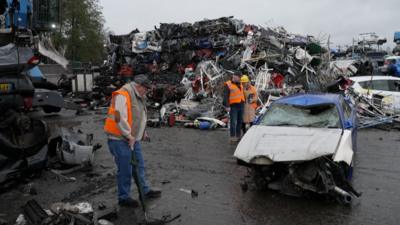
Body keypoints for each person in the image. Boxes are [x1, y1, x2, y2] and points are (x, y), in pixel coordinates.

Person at [104, 75, 161, 208]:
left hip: (131, 138)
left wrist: (142, 133)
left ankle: (144, 190)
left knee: (139, 165)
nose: (146, 92)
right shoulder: (122, 94)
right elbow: (119, 118)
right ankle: (123, 198)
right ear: (139, 86)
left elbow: (138, 116)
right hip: (118, 138)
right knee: (125, 169)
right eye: (146, 89)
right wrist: (128, 135)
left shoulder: (139, 96)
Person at [223, 71, 245, 144]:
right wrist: (227, 106)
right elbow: (225, 96)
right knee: (233, 122)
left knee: (240, 122)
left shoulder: (240, 83)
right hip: (233, 106)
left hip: (241, 104)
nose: (240, 79)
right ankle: (232, 137)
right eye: (239, 78)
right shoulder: (228, 84)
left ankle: (238, 136)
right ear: (235, 77)